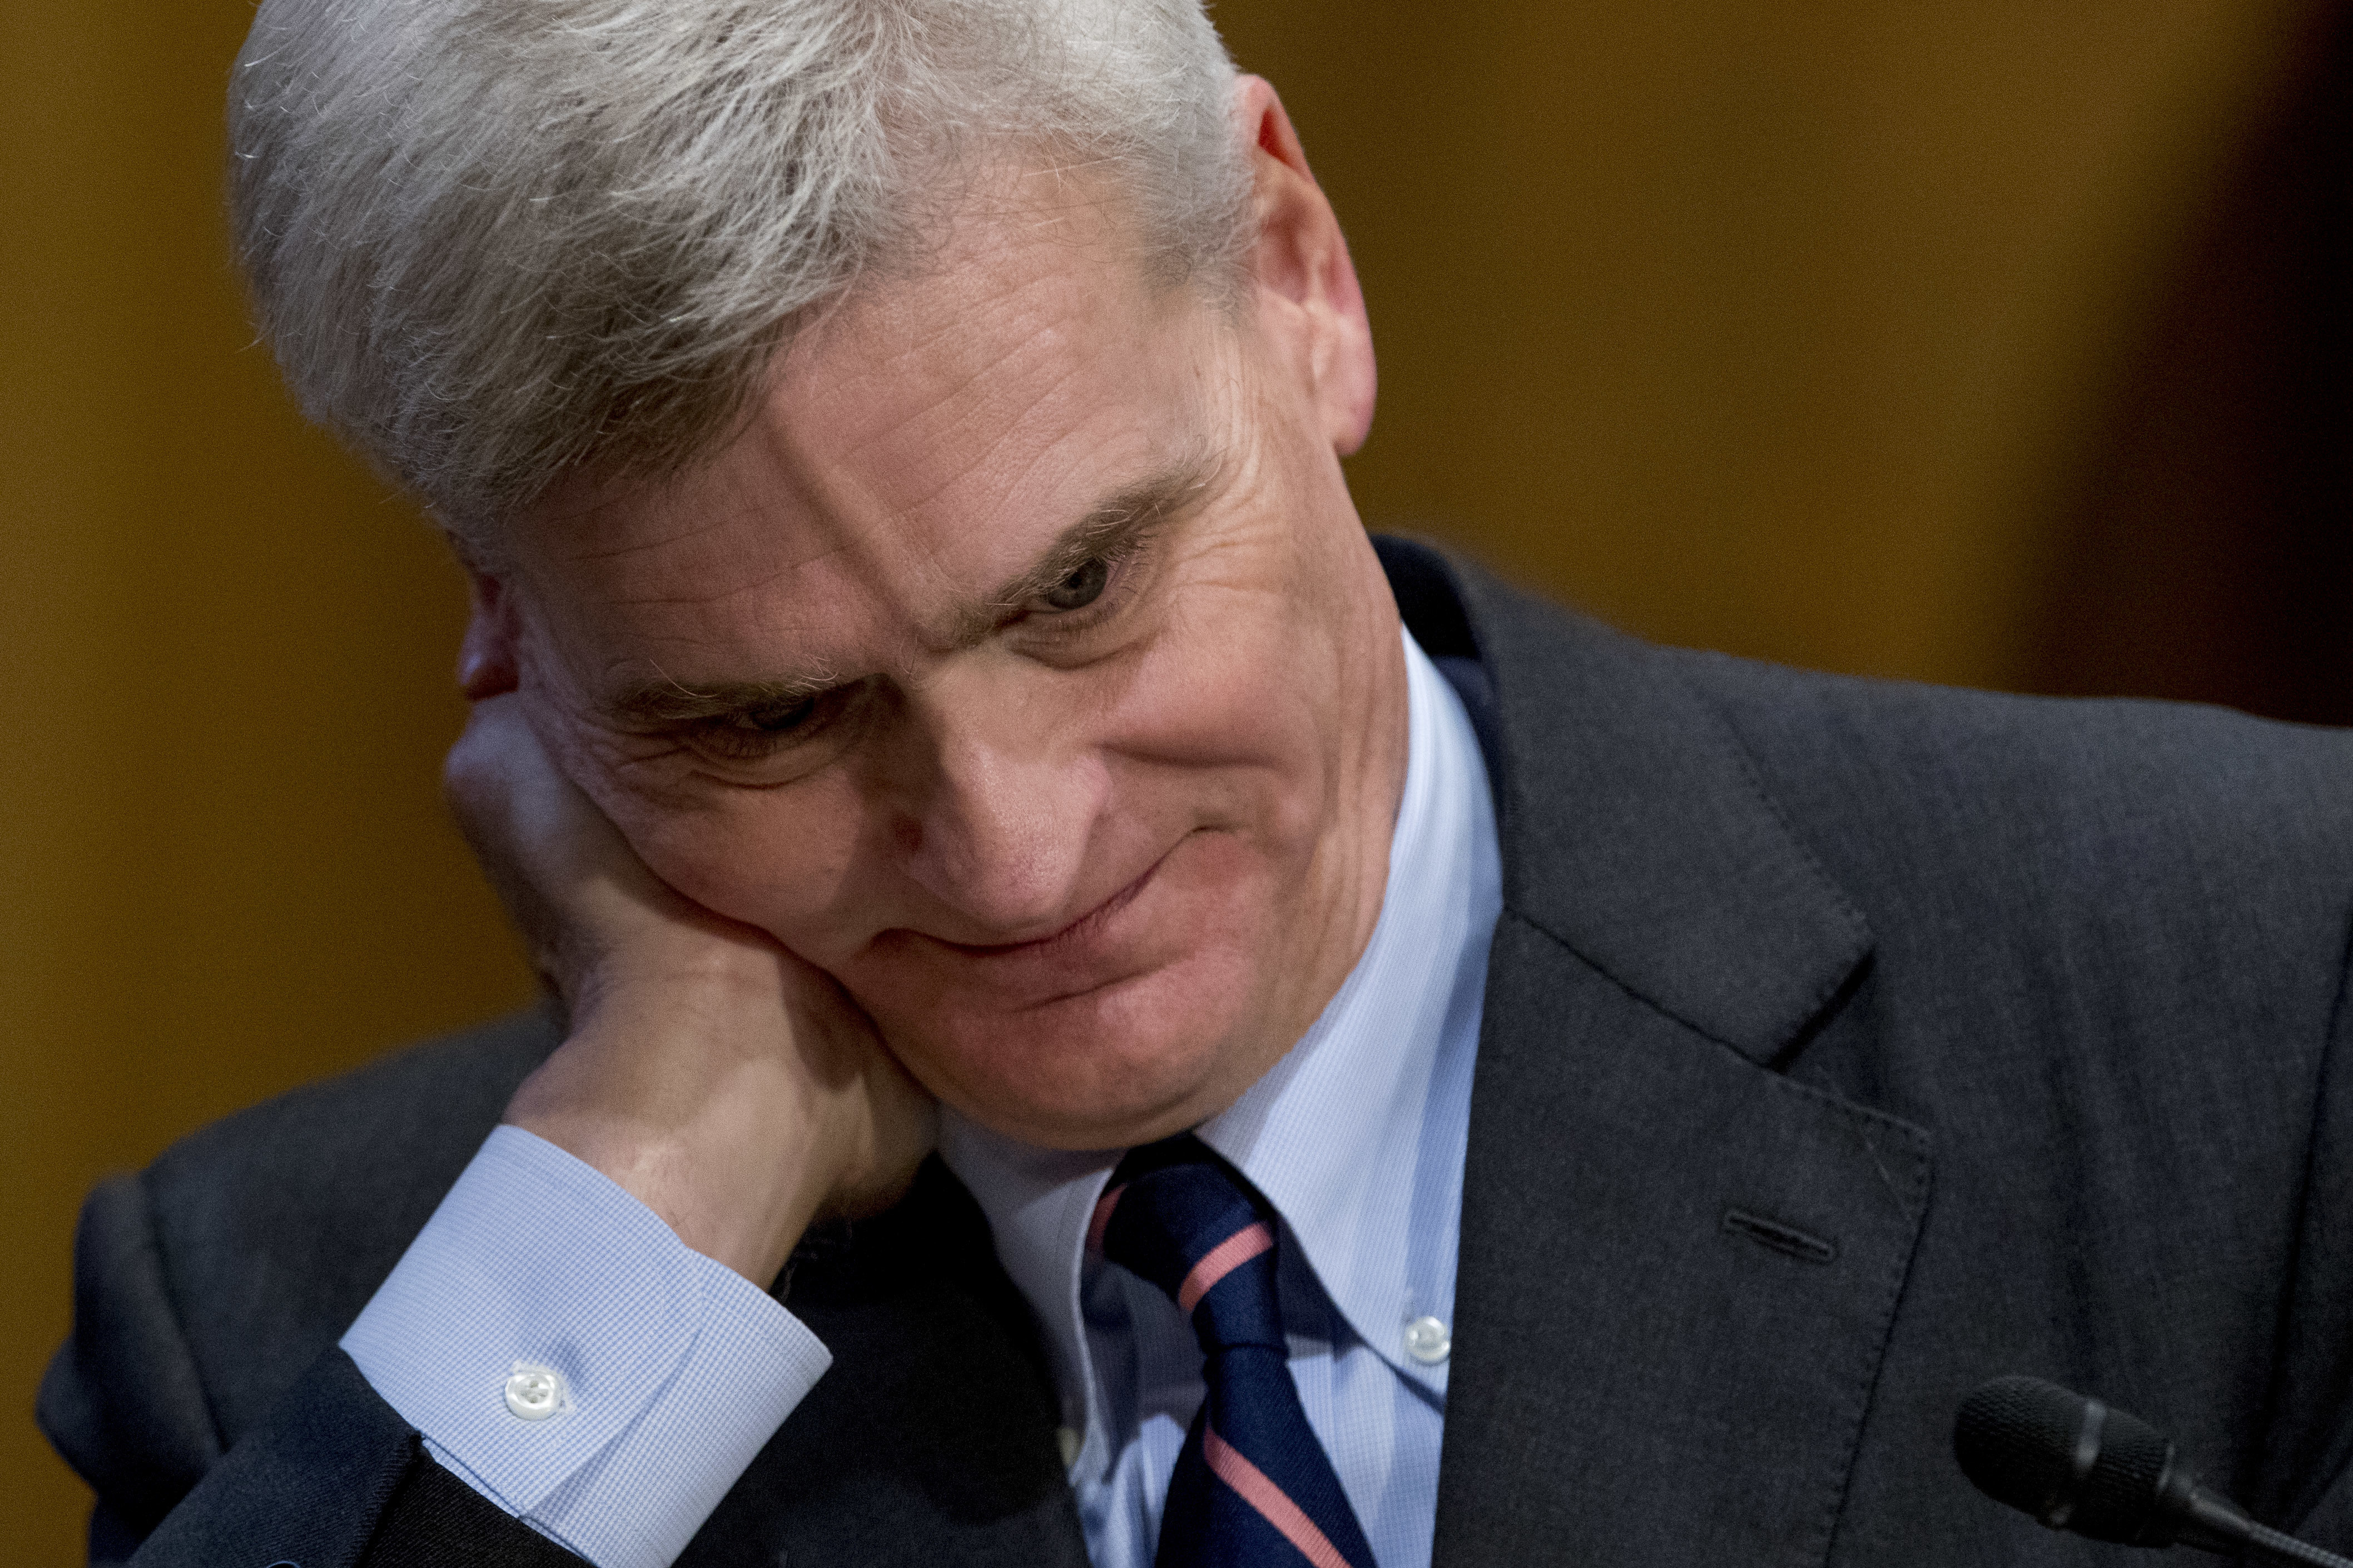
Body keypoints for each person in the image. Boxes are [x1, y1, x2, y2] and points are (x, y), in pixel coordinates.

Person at [36, 1, 2353, 1564]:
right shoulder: (303, 1329)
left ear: (1291, 269)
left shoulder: (2249, 996)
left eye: (1077, 588)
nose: (1017, 846)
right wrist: (632, 1200)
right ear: (505, 625)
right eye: (765, 719)